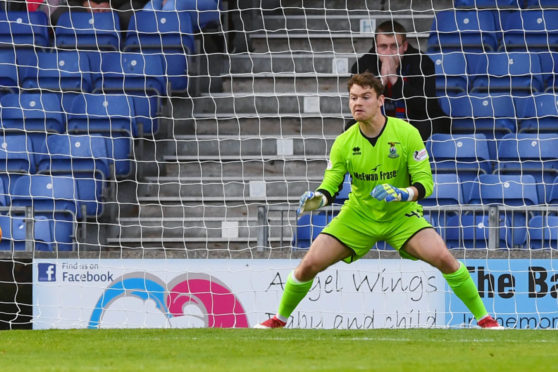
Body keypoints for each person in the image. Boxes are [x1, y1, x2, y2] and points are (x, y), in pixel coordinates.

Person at [254, 72, 502, 330]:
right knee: (308, 265)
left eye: (365, 97)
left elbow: (425, 183)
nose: (357, 103)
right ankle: (278, 320)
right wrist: (318, 198)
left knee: (444, 258)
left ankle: (485, 319)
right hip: (358, 216)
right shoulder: (343, 142)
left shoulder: (406, 133)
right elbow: (331, 186)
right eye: (352, 98)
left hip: (401, 215)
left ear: (381, 100)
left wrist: (402, 193)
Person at [350, 20, 450, 141]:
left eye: (394, 46)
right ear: (376, 47)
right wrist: (381, 82)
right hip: (377, 120)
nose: (388, 53)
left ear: (405, 46)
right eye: (383, 47)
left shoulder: (422, 62)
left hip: (414, 119)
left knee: (433, 125)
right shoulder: (362, 66)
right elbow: (359, 104)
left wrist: (395, 79)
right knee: (350, 128)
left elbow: (426, 106)